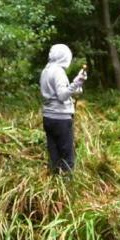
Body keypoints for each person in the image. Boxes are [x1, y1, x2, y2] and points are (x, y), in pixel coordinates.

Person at [40, 44, 87, 174]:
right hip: (60, 118)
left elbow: (60, 92)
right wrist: (76, 83)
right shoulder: (58, 72)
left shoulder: (46, 70)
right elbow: (62, 96)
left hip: (48, 117)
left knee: (54, 155)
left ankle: (54, 184)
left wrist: (77, 85)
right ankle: (67, 186)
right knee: (67, 156)